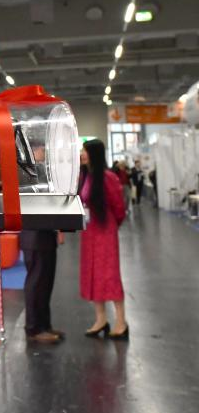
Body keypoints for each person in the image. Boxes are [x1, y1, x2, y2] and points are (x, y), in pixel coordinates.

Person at [79, 139, 128, 340]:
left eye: (85, 151)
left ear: (95, 154)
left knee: (109, 275)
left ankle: (121, 322)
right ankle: (101, 319)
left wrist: (112, 225)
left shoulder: (108, 177)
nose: (81, 154)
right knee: (92, 275)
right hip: (89, 233)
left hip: (105, 232)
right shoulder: (85, 176)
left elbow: (119, 207)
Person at [19, 229, 64, 343]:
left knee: (45, 285)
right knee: (36, 284)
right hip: (34, 239)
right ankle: (33, 328)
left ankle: (44, 326)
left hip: (47, 238)